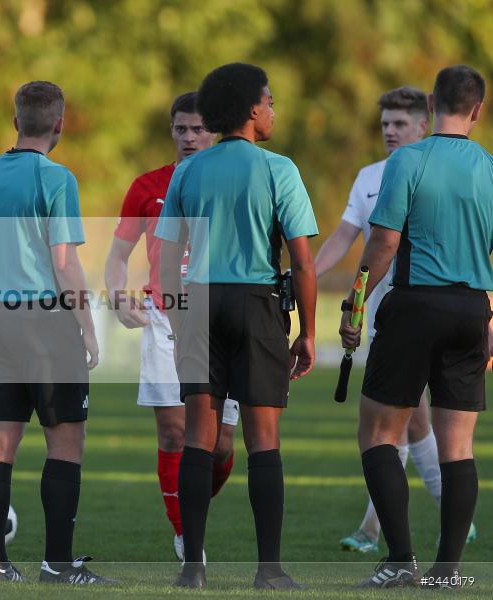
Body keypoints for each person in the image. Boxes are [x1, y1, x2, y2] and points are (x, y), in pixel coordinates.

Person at [156, 63, 318, 590]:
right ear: (251, 109)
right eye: (269, 101)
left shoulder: (189, 170)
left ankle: (193, 569)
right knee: (262, 440)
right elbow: (303, 261)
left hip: (200, 302)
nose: (273, 110)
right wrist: (308, 333)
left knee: (199, 439)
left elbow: (168, 257)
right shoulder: (278, 168)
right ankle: (268, 569)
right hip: (257, 303)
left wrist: (179, 318)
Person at [340, 65, 491, 588]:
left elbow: (382, 244)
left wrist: (354, 306)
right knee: (459, 446)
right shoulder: (490, 168)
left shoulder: (408, 159)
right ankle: (447, 571)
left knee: (378, 433)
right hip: (472, 310)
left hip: (414, 306)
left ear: (431, 106)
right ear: (477, 110)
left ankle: (399, 560)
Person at [0, 80, 114, 585]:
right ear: (59, 124)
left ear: (14, 123)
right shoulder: (57, 178)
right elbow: (63, 262)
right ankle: (57, 563)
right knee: (65, 442)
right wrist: (88, 327)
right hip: (47, 323)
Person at [104, 91, 236, 562]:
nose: (188, 137)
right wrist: (118, 296)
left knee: (220, 445)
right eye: (180, 129)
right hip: (164, 316)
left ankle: (191, 503)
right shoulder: (147, 186)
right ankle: (188, 540)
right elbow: (118, 257)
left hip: (223, 318)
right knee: (175, 435)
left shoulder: (234, 181)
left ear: (215, 132)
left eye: (198, 129)